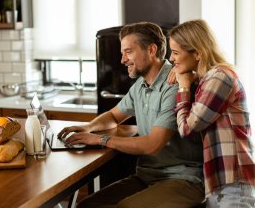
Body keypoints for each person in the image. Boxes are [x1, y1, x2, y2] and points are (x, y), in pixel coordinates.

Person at [58, 22, 204, 208]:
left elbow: (153, 144)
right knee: (88, 205)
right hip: (147, 176)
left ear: (151, 50)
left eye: (128, 52)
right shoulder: (140, 86)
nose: (122, 60)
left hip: (183, 179)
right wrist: (88, 127)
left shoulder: (174, 84)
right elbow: (113, 116)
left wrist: (100, 139)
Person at [168, 19, 255, 208]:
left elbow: (187, 128)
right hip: (219, 181)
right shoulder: (206, 80)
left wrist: (183, 86)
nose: (171, 59)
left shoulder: (220, 77)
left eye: (175, 53)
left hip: (233, 182)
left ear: (197, 53)